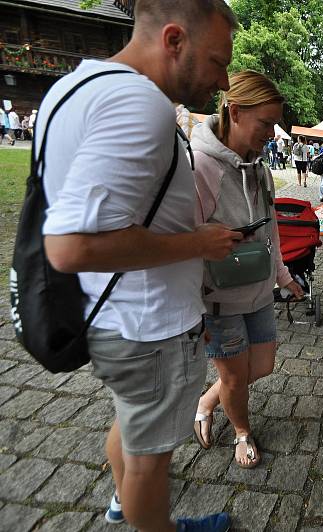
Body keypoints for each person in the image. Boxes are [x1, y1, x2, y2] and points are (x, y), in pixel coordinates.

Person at [39, 1, 240, 530]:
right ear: (174, 40)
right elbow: (70, 245)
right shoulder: (141, 105)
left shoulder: (73, 87)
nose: (223, 82)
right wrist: (195, 243)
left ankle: (120, 503)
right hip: (148, 327)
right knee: (152, 462)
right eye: (218, 62)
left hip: (111, 317)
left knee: (132, 424)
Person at [191, 70, 304, 469]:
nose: (273, 133)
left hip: (257, 291)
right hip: (218, 299)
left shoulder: (259, 166)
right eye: (267, 123)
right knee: (237, 378)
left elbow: (270, 225)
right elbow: (186, 242)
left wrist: (284, 276)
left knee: (263, 365)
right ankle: (242, 432)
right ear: (235, 113)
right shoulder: (202, 166)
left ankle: (209, 398)